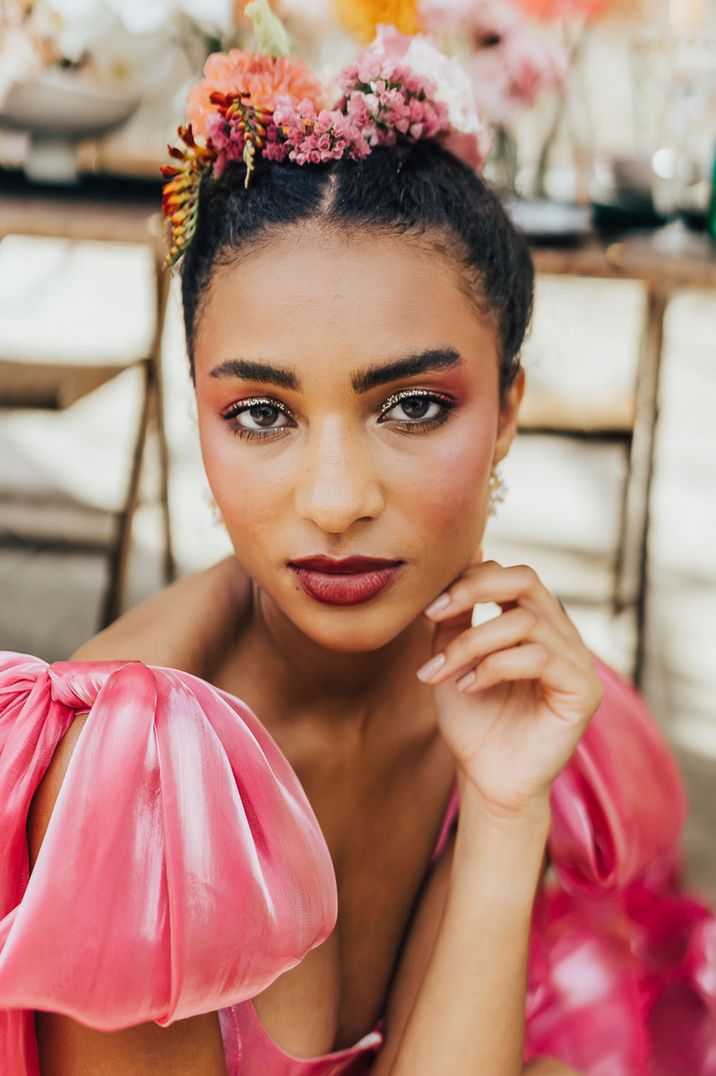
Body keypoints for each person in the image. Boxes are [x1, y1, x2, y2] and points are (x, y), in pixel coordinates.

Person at [1, 16, 716, 1076]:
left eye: (413, 405)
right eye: (259, 414)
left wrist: (505, 810)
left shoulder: (509, 704)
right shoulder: (129, 769)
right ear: (192, 409)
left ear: (509, 408)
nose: (334, 502)